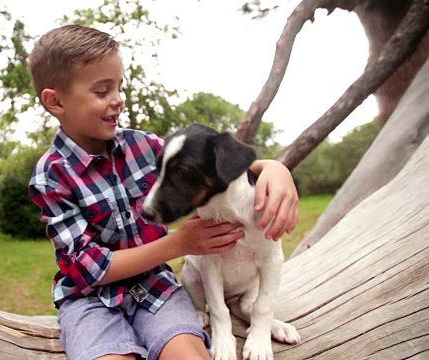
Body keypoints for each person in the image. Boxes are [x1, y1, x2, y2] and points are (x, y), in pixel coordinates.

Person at [28, 24, 299, 360]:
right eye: (102, 91)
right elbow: (86, 268)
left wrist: (274, 168)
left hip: (156, 288)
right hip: (89, 301)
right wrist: (178, 244)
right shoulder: (51, 176)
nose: (118, 100)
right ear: (55, 101)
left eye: (119, 87)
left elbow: (210, 158)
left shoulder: (146, 146)